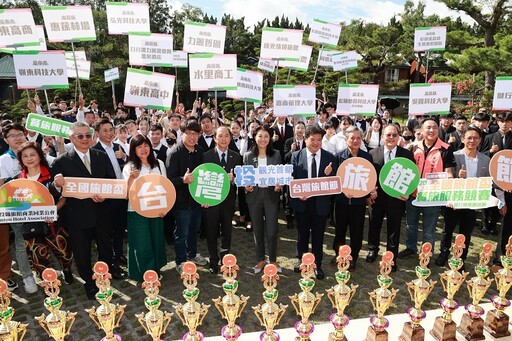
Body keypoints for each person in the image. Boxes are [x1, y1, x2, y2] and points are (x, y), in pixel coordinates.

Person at [51, 121, 124, 299]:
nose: (85, 139)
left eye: (88, 135)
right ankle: (89, 284)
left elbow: (111, 181)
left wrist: (106, 195)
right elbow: (53, 191)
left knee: (105, 250)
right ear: (71, 138)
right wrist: (56, 184)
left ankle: (103, 279)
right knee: (82, 253)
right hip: (77, 217)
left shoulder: (100, 155)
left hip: (102, 213)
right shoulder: (61, 161)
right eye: (80, 136)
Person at [16, 142, 73, 283]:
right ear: (21, 159)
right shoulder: (18, 180)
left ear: (40, 156)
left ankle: (66, 270)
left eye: (32, 155)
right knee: (37, 255)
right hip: (31, 224)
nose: (29, 159)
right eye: (25, 156)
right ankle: (49, 281)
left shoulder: (51, 173)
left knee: (63, 251)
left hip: (54, 220)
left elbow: (64, 197)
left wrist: (54, 210)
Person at [398, 118, 455, 259]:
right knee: (411, 225)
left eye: (434, 127)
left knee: (429, 229)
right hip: (413, 193)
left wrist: (448, 192)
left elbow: (449, 174)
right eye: (428, 128)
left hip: (432, 196)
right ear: (421, 131)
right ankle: (411, 248)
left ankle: (426, 253)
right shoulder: (413, 147)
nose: (431, 130)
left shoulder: (445, 148)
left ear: (438, 129)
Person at [435, 126, 490, 267]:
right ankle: (444, 253)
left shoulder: (485, 159)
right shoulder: (454, 155)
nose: (472, 141)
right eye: (469, 138)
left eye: (475, 138)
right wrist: (457, 178)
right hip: (454, 200)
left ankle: (460, 258)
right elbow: (446, 177)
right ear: (463, 139)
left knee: (466, 231)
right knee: (448, 229)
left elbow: (487, 181)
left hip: (471, 201)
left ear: (480, 140)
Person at [366, 124, 414, 272]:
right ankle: (373, 249)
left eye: (394, 135)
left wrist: (408, 192)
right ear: (382, 137)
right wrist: (369, 193)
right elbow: (369, 176)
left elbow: (411, 175)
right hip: (377, 197)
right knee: (374, 224)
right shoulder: (372, 153)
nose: (391, 138)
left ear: (399, 137)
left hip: (396, 198)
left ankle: (391, 255)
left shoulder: (406, 154)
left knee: (394, 227)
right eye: (388, 135)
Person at [291, 125, 335, 280]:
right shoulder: (296, 156)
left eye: (319, 140)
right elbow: (292, 180)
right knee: (302, 233)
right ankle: (301, 260)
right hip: (302, 202)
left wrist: (330, 175)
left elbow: (335, 184)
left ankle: (317, 264)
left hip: (321, 204)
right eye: (312, 139)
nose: (316, 143)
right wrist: (297, 194)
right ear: (305, 139)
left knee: (318, 235)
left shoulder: (330, 158)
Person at [0, 123, 39, 293]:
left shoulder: (33, 152)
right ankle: (26, 276)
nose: (17, 138)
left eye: (20, 134)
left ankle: (42, 268)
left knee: (40, 237)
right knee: (21, 241)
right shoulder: (3, 160)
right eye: (12, 136)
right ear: (5, 139)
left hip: (38, 204)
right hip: (17, 208)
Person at [123, 135, 167, 281]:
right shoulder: (129, 167)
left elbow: (165, 187)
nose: (143, 149)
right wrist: (130, 178)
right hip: (136, 211)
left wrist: (165, 208)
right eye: (139, 146)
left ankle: (155, 269)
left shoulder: (159, 164)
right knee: (142, 243)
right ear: (133, 150)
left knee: (156, 240)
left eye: (146, 145)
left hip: (156, 210)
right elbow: (125, 194)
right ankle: (146, 274)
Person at [167, 119, 207, 274]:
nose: (192, 137)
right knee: (181, 233)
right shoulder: (175, 153)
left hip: (196, 200)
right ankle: (181, 260)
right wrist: (182, 180)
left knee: (193, 230)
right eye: (189, 133)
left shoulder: (200, 151)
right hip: (181, 202)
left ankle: (192, 254)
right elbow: (169, 180)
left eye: (195, 134)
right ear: (181, 134)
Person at [333, 126, 375, 270]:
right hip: (341, 201)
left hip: (358, 202)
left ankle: (353, 257)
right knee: (340, 230)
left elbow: (370, 179)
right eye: (352, 138)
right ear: (346, 140)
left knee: (356, 231)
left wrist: (370, 193)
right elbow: (335, 180)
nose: (355, 140)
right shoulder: (339, 157)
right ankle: (339, 255)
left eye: (358, 138)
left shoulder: (367, 157)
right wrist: (342, 191)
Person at [202, 126, 242, 274]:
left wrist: (234, 179)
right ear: (215, 138)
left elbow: (241, 180)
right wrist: (203, 199)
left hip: (228, 201)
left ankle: (226, 260)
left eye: (226, 136)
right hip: (211, 201)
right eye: (220, 136)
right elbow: (201, 179)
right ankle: (213, 261)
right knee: (211, 231)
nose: (223, 138)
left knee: (227, 231)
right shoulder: (206, 156)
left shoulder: (236, 156)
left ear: (230, 139)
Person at [243, 126, 282, 273]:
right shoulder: (248, 156)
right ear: (255, 137)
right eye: (260, 136)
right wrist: (246, 187)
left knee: (272, 230)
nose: (263, 139)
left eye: (266, 136)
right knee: (257, 230)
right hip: (254, 196)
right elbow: (245, 177)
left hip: (271, 196)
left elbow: (280, 175)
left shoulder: (276, 154)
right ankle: (260, 259)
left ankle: (272, 260)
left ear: (270, 138)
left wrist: (279, 185)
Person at [93, 118, 128, 267]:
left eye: (111, 130)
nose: (109, 133)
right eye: (105, 131)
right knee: (107, 232)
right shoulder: (94, 151)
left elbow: (129, 167)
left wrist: (125, 157)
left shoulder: (118, 146)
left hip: (122, 195)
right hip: (106, 199)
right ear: (97, 133)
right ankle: (109, 261)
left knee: (120, 228)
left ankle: (118, 254)